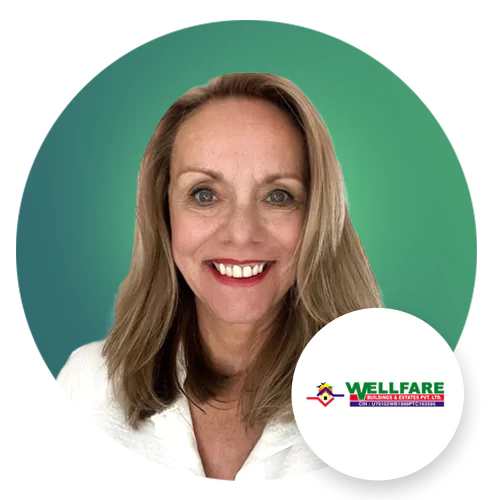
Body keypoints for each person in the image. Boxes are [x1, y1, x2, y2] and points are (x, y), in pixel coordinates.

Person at [56, 72, 383, 487]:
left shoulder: (387, 396)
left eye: (278, 196)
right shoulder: (87, 385)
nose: (241, 234)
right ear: (164, 213)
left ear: (317, 216)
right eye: (204, 195)